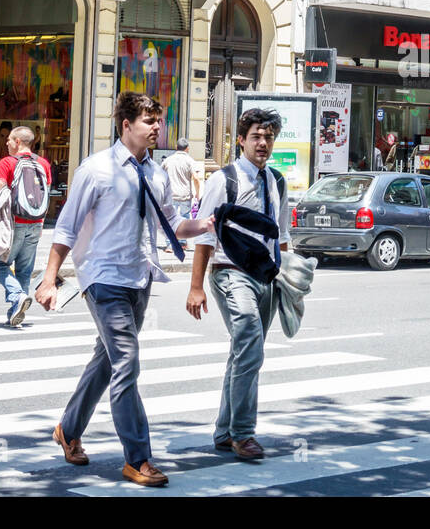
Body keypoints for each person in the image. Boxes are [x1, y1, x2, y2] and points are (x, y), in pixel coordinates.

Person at [33, 92, 214, 488]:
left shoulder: (157, 173)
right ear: (126, 124)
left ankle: (68, 428)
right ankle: (138, 458)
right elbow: (65, 227)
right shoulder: (95, 170)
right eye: (148, 121)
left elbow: (171, 224)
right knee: (127, 363)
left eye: (158, 120)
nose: (156, 127)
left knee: (107, 361)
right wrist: (50, 277)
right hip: (102, 278)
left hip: (139, 278)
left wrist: (204, 224)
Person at [187, 108, 290, 461]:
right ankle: (244, 434)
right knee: (249, 341)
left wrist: (288, 278)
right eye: (256, 137)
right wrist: (196, 286)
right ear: (241, 140)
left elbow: (282, 235)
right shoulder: (225, 180)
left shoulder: (276, 181)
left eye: (269, 137)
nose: (263, 143)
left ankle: (225, 431)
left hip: (266, 277)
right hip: (230, 272)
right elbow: (204, 235)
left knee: (244, 352)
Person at [0, 125, 52, 326]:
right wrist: (41, 223)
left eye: (9, 140)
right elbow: (45, 194)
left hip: (14, 224)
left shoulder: (8, 163)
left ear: (18, 142)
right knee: (24, 271)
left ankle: (17, 295)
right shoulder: (43, 163)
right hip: (36, 223)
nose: (6, 143)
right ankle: (15, 313)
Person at [161, 138, 202, 248]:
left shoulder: (168, 160)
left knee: (169, 219)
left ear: (176, 147)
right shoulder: (190, 161)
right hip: (185, 195)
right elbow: (196, 178)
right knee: (184, 218)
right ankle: (183, 243)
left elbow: (159, 176)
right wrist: (198, 193)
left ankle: (170, 245)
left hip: (170, 195)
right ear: (187, 148)